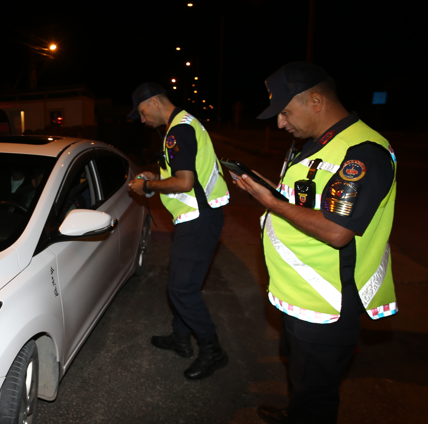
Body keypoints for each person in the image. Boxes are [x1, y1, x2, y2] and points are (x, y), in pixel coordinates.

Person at [231, 62, 398, 424]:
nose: (280, 123)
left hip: (328, 304)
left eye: (286, 112)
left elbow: (337, 231)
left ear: (316, 101)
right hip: (298, 295)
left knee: (317, 396)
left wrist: (271, 203)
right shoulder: (313, 145)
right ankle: (296, 411)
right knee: (302, 381)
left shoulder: (363, 153)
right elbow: (306, 202)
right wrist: (268, 188)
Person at [126, 82, 231, 380]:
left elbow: (184, 182)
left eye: (142, 112)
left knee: (182, 289)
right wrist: (156, 175)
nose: (143, 120)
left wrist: (147, 186)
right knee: (180, 284)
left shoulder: (178, 132)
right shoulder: (185, 124)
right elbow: (184, 173)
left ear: (155, 102)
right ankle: (181, 338)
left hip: (199, 220)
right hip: (198, 218)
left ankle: (213, 351)